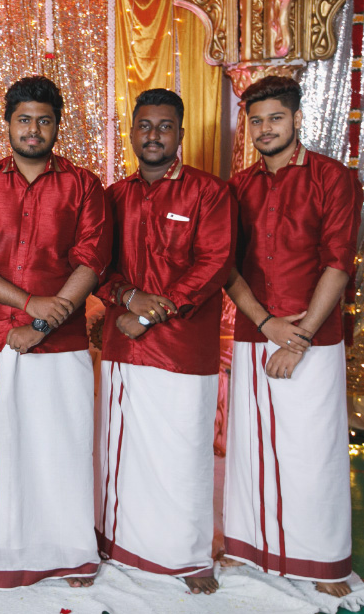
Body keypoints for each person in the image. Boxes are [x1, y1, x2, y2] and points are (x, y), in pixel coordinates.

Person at [0, 75, 111, 589]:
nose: (33, 129)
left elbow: (91, 262)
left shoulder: (84, 186)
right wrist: (28, 306)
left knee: (61, 448)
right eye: (23, 119)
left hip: (61, 344)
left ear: (57, 126)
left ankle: (68, 551)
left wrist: (44, 323)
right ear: (7, 124)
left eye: (43, 121)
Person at [222, 76, 360, 597]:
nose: (265, 129)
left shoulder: (332, 177)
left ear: (297, 118)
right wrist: (266, 324)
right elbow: (226, 266)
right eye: (256, 121)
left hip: (313, 338)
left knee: (312, 450)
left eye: (275, 118)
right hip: (255, 330)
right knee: (251, 447)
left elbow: (338, 263)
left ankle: (323, 563)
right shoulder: (238, 186)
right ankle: (247, 547)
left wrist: (297, 338)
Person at [95, 89, 234, 595]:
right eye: (145, 126)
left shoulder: (209, 193)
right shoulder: (112, 196)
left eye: (165, 127)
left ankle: (187, 555)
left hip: (181, 350)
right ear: (132, 132)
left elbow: (215, 262)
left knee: (183, 454)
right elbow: (96, 266)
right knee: (122, 453)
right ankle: (118, 543)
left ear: (180, 133)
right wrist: (127, 298)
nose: (154, 135)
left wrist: (154, 312)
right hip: (122, 346)